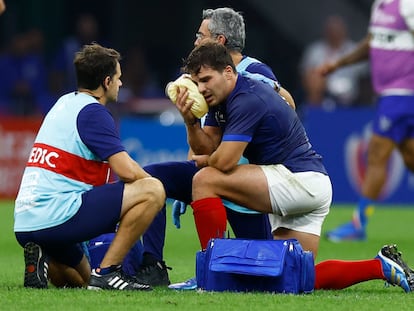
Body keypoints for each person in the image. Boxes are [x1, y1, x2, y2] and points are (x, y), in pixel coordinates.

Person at [178, 41, 414, 292]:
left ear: (227, 71)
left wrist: (206, 161)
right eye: (196, 83)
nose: (201, 89)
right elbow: (207, 147)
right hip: (311, 184)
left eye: (205, 79)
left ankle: (209, 276)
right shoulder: (221, 100)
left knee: (205, 180)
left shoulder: (247, 97)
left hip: (297, 178)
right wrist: (191, 122)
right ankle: (380, 267)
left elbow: (223, 162)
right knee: (291, 278)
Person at [135, 7, 295, 287]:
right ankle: (153, 266)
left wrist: (273, 90)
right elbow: (205, 146)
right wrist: (190, 124)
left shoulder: (253, 71)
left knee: (267, 272)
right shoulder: (210, 79)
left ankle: (215, 274)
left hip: (246, 182)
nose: (196, 41)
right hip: (215, 173)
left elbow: (289, 106)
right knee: (152, 179)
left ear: (219, 41)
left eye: (201, 35)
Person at [13, 43, 166, 291]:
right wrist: (154, 186)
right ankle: (108, 272)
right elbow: (127, 172)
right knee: (153, 190)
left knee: (81, 281)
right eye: (118, 78)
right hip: (58, 215)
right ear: (106, 82)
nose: (120, 84)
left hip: (25, 222)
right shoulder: (94, 112)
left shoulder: (63, 103)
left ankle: (43, 258)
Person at [319, 0, 414, 241]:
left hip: (402, 94)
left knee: (376, 155)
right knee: (410, 156)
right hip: (390, 94)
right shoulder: (381, 4)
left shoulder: (408, 5)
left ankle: (358, 224)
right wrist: (339, 64)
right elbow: (372, 43)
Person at [300, 15, 369, 108]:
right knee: (314, 79)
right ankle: (313, 114)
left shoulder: (354, 50)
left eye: (337, 30)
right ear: (326, 32)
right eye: (331, 30)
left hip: (350, 100)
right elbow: (305, 76)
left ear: (344, 31)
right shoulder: (315, 50)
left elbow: (366, 78)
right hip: (323, 95)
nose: (334, 33)